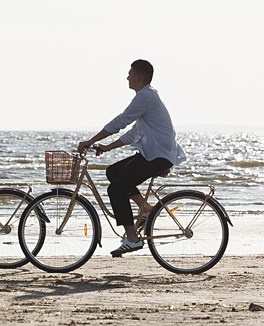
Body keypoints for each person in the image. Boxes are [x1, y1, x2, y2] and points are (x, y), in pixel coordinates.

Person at [77, 58, 185, 257]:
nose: (126, 76)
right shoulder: (147, 97)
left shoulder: (145, 97)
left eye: (129, 73)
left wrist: (90, 141)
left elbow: (121, 121)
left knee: (116, 189)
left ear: (137, 76)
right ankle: (145, 208)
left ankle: (132, 239)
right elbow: (134, 133)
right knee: (113, 172)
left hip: (157, 155)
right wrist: (107, 147)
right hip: (156, 153)